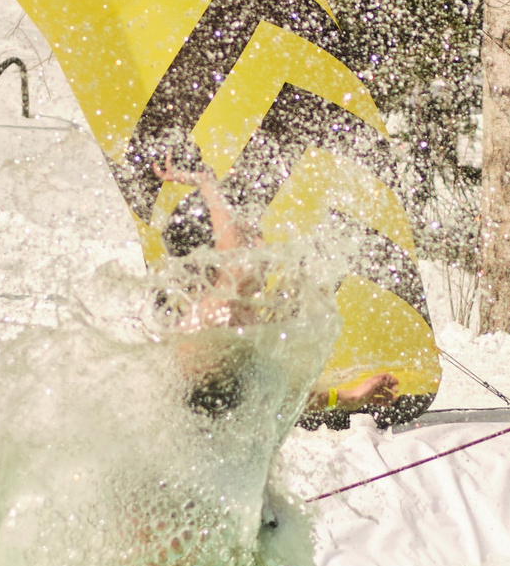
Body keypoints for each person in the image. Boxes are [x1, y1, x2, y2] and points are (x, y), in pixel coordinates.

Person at [153, 154, 397, 419]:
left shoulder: (237, 323)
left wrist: (349, 398)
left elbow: (274, 393)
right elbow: (238, 265)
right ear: (211, 258)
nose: (261, 243)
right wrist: (207, 183)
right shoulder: (209, 318)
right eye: (248, 236)